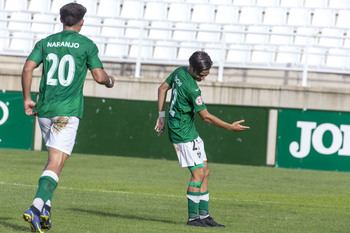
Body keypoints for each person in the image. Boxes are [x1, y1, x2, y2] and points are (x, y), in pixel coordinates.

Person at [21, 3, 114, 232]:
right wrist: (110, 81)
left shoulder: (45, 42)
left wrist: (26, 99)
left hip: (43, 111)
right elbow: (99, 76)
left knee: (55, 160)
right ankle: (35, 206)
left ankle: (46, 210)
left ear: (61, 19)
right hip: (67, 112)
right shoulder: (86, 45)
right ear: (82, 21)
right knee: (56, 161)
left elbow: (27, 69)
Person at [154, 51, 249, 227]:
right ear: (192, 67)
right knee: (197, 173)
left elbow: (162, 88)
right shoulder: (192, 88)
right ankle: (193, 219)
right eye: (201, 75)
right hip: (181, 132)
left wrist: (161, 116)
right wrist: (230, 127)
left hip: (188, 129)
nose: (203, 78)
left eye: (206, 75)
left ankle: (204, 216)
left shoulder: (179, 71)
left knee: (205, 171)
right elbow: (206, 117)